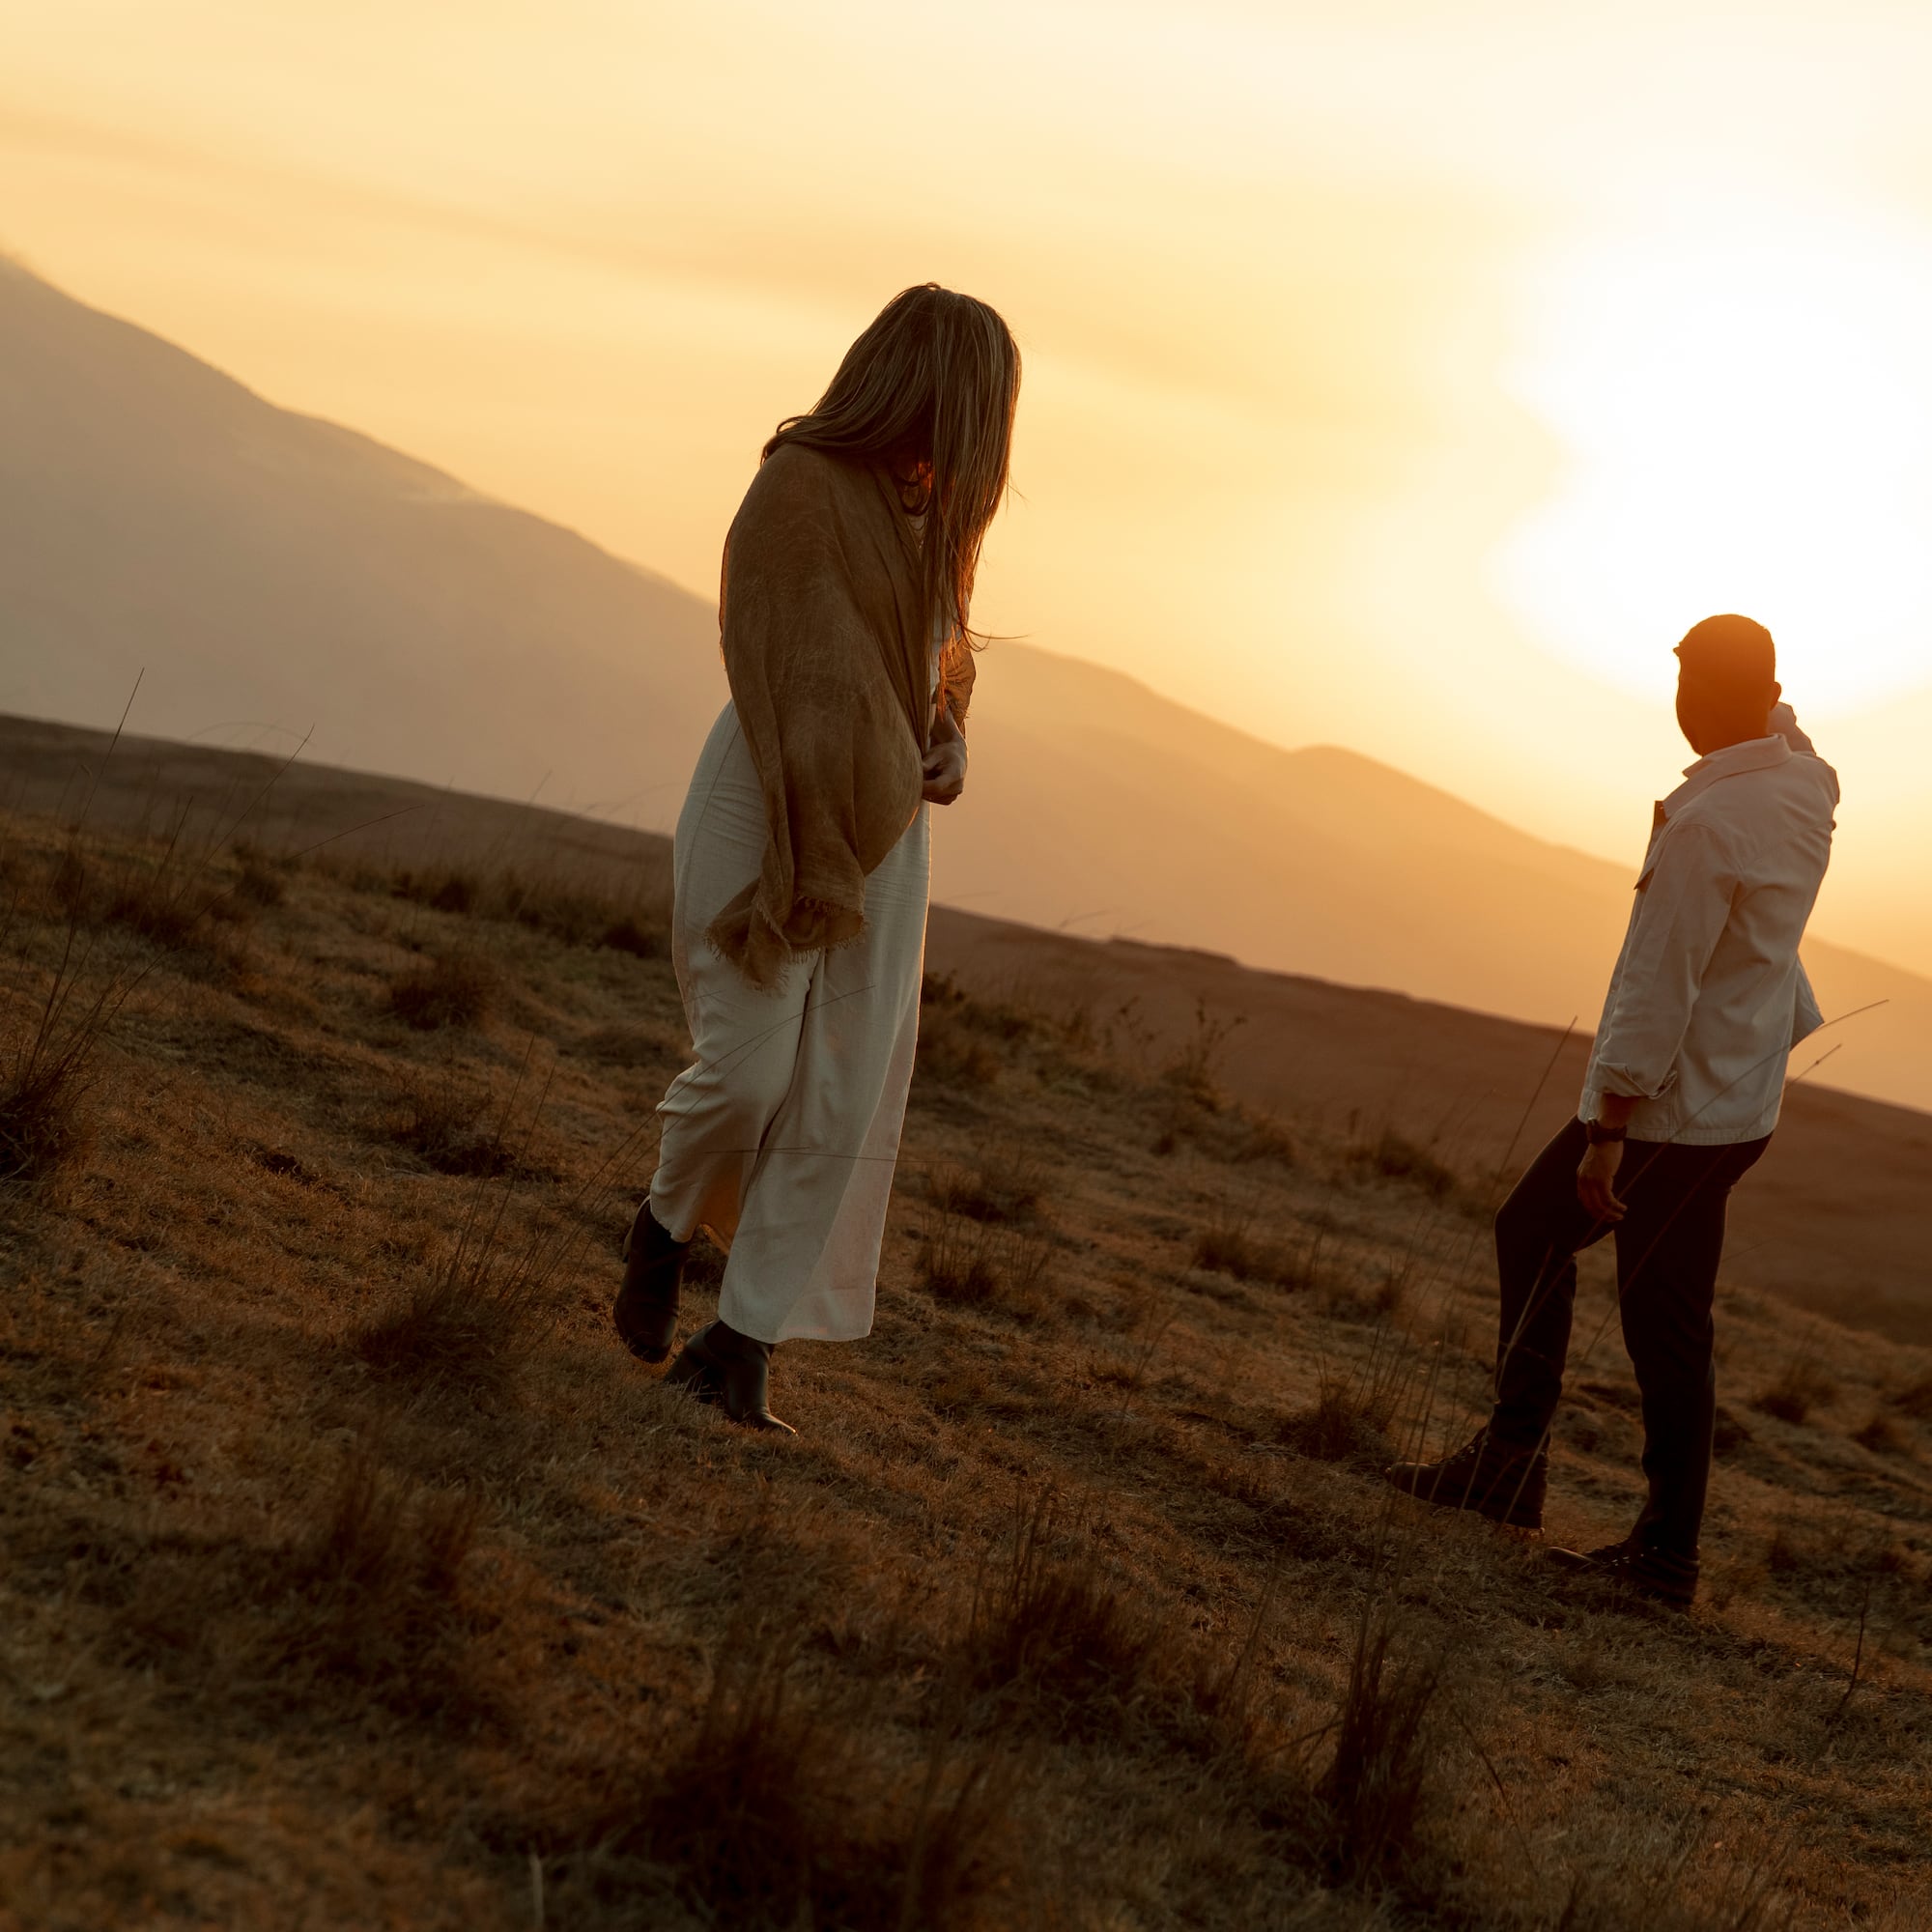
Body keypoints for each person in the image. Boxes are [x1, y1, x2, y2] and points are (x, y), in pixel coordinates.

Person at [611, 284, 1021, 1435]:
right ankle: (659, 1222)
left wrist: (947, 744)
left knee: (838, 1091)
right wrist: (877, 741)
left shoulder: (936, 523)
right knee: (744, 1070)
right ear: (929, 386)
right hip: (770, 800)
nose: (984, 434)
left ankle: (738, 1347)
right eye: (979, 403)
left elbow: (940, 669)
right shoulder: (798, 485)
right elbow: (785, 650)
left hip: (884, 832)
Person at [1385, 614, 1838, 1606]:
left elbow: (1654, 983)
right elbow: (1794, 736)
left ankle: (1650, 1548)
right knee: (1597, 1271)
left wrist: (1604, 1132)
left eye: (1687, 690)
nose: (1677, 709)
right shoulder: (1800, 780)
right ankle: (1527, 1472)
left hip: (1674, 1111)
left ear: (1706, 698)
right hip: (1738, 1097)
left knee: (1643, 1306)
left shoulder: (1708, 825)